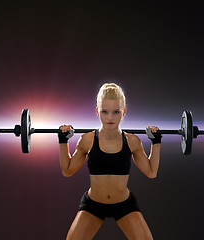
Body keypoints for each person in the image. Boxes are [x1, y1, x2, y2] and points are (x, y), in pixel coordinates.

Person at [59, 83, 161, 240]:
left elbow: (151, 172)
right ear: (97, 112)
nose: (110, 118)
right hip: (93, 204)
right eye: (105, 112)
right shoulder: (87, 140)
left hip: (124, 204)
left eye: (116, 112)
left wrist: (156, 142)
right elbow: (67, 170)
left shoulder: (132, 141)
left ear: (124, 112)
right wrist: (63, 141)